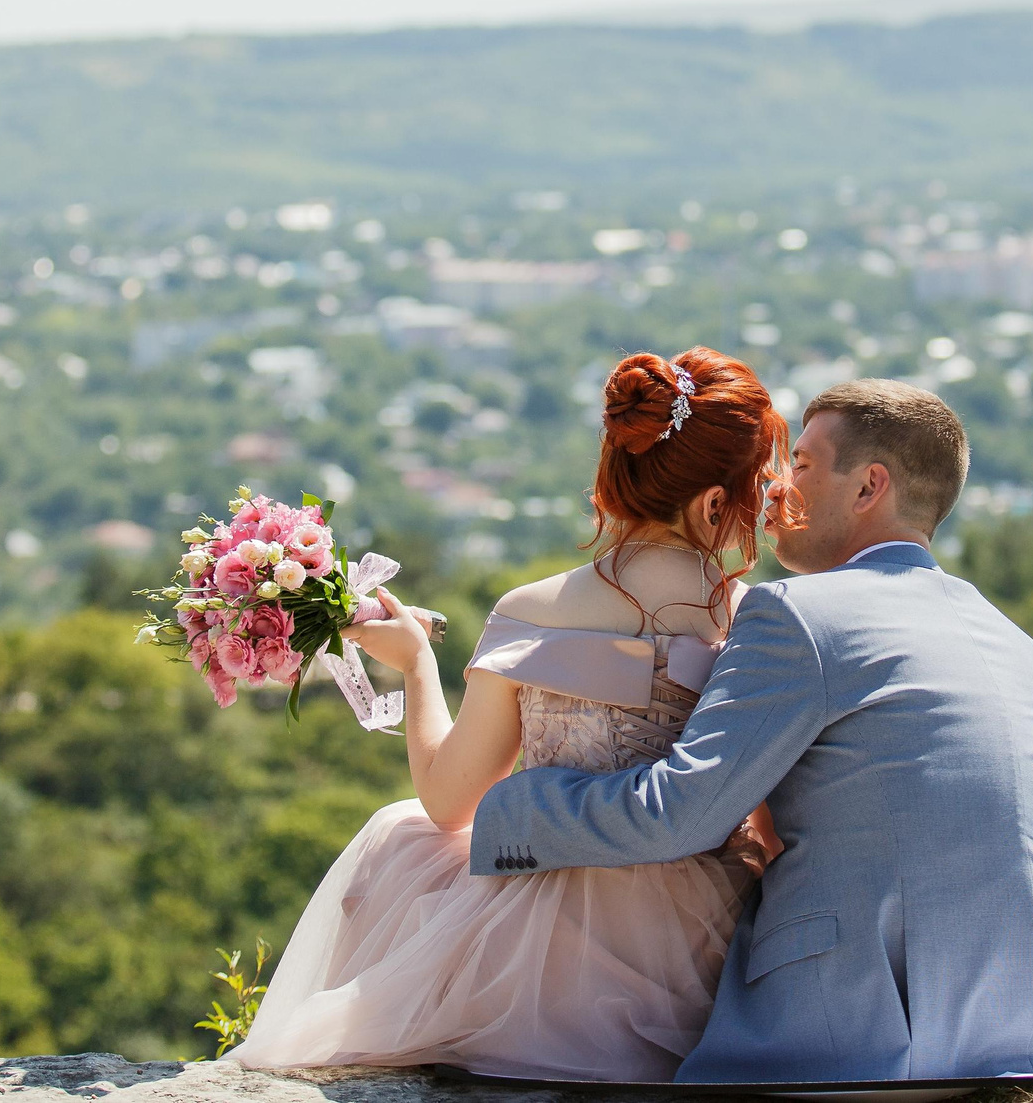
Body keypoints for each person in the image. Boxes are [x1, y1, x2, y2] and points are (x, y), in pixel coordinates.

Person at [465, 377, 1033, 1083]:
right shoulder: (1016, 643)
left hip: (862, 1032)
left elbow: (678, 815)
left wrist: (516, 807)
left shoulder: (796, 614)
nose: (774, 490)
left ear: (868, 487)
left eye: (799, 464)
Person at [225, 347, 792, 1082]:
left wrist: (417, 664)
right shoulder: (756, 623)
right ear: (718, 501)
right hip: (692, 943)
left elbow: (448, 800)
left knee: (401, 835)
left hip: (527, 933)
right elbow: (775, 818)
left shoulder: (531, 610)